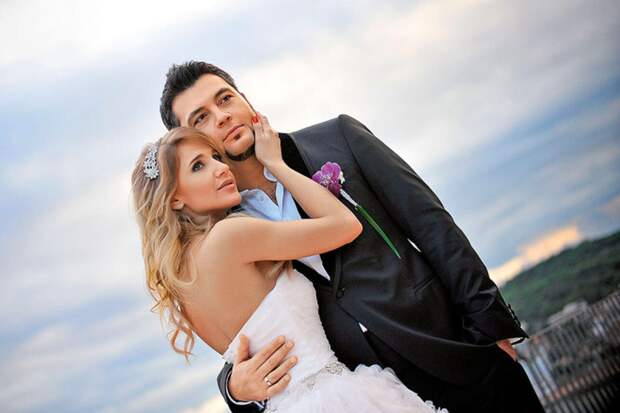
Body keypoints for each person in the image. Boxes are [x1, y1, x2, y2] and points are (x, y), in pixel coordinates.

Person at [158, 61, 545, 412]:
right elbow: (239, 330)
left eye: (225, 98)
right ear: (189, 141)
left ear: (245, 99)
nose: (222, 116)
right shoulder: (225, 234)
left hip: (457, 352)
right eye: (202, 118)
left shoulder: (337, 138)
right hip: (365, 395)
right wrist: (234, 390)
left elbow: (433, 227)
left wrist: (491, 329)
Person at [131, 124, 449, 412]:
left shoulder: (180, 288)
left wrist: (234, 391)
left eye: (215, 157)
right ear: (174, 198)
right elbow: (345, 225)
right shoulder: (230, 235)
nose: (221, 167)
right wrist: (276, 164)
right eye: (198, 166)